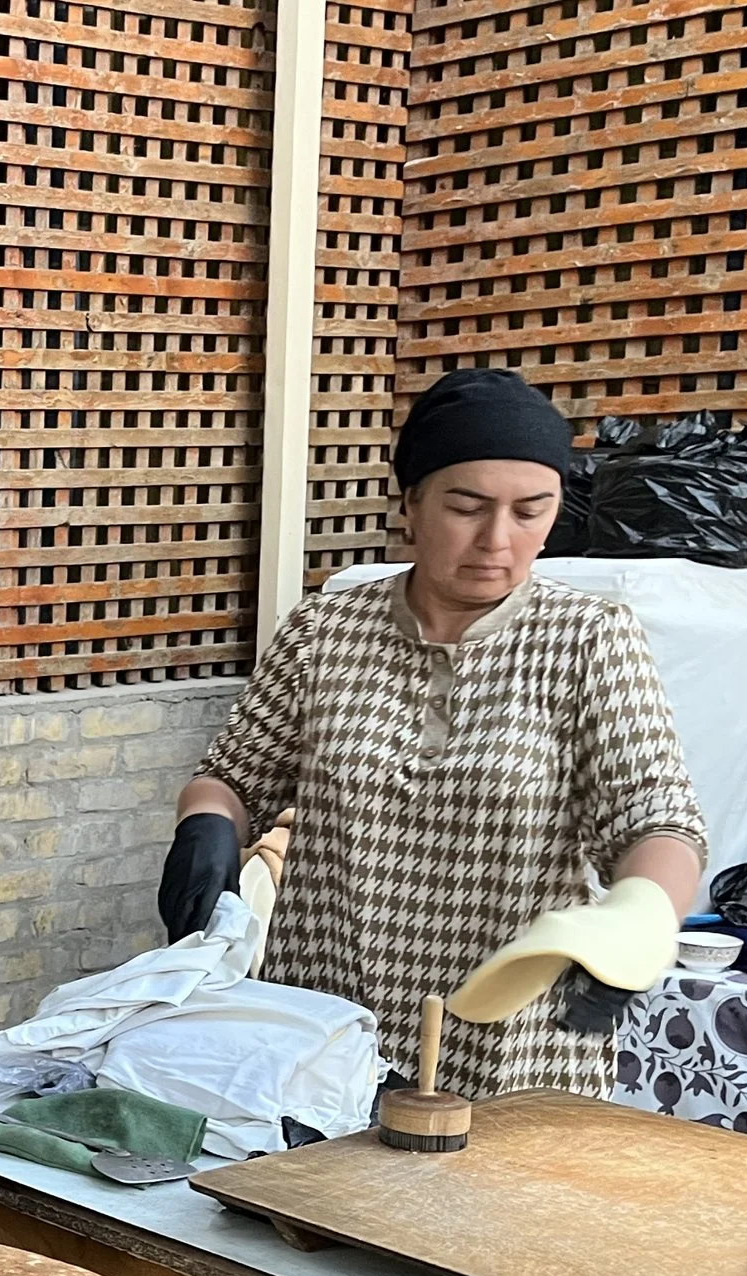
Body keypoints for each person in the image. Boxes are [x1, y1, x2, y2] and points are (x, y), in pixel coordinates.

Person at [157, 368, 708, 1101]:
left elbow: (659, 819)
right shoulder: (328, 629)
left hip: (513, 1038)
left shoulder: (589, 639)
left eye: (529, 511)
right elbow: (234, 777)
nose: (496, 539)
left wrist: (639, 920)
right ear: (411, 503)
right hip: (323, 1020)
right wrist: (206, 828)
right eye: (467, 506)